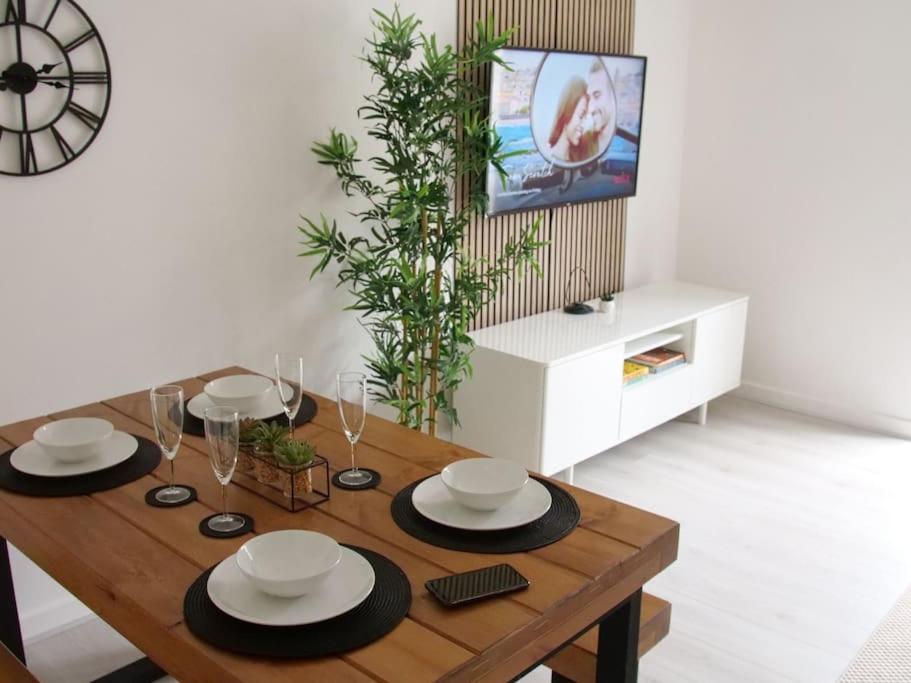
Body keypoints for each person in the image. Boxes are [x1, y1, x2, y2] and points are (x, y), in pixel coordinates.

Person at [547, 76, 591, 163]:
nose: (584, 125)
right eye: (581, 116)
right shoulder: (547, 160)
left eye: (586, 118)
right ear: (568, 112)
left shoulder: (580, 160)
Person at [585, 59, 614, 154]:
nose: (590, 109)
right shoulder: (584, 143)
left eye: (597, 96)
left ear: (613, 96)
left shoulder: (628, 142)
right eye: (589, 99)